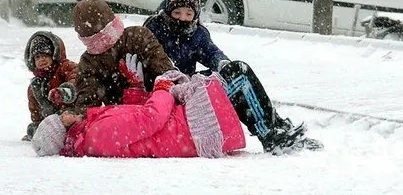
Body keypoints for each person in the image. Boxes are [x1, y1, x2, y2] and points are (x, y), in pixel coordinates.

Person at [144, 0, 323, 154]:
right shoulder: (155, 29)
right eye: (177, 13)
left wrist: (223, 65)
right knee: (240, 77)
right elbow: (154, 63)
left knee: (237, 71)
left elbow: (212, 53)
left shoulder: (197, 33)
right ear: (167, 12)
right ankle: (271, 134)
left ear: (195, 15)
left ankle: (277, 127)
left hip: (189, 84)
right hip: (169, 90)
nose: (182, 18)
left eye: (188, 13)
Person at [31, 57, 246, 158]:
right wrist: (162, 88)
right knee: (239, 74)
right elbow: (151, 119)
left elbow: (135, 122)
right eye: (61, 120)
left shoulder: (90, 131)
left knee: (237, 79)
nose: (65, 113)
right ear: (62, 131)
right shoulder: (95, 134)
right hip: (194, 127)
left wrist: (135, 88)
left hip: (185, 127)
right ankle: (273, 132)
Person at [65, 0, 176, 116]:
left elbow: (165, 72)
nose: (104, 45)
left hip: (151, 111)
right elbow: (87, 106)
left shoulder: (137, 38)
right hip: (126, 119)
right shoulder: (137, 36)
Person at [22, 31, 78, 141]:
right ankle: (46, 133)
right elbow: (35, 109)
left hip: (71, 111)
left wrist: (65, 92)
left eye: (45, 55)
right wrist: (38, 122)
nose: (41, 60)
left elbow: (77, 76)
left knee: (68, 118)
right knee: (34, 128)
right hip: (53, 120)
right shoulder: (35, 86)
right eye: (37, 57)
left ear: (54, 54)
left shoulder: (64, 67)